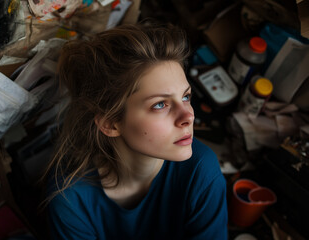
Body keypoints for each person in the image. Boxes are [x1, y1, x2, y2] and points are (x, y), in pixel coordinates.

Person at [45, 22, 228, 240]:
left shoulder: (201, 169)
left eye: (186, 97)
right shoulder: (71, 199)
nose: (188, 116)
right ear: (111, 124)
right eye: (160, 104)